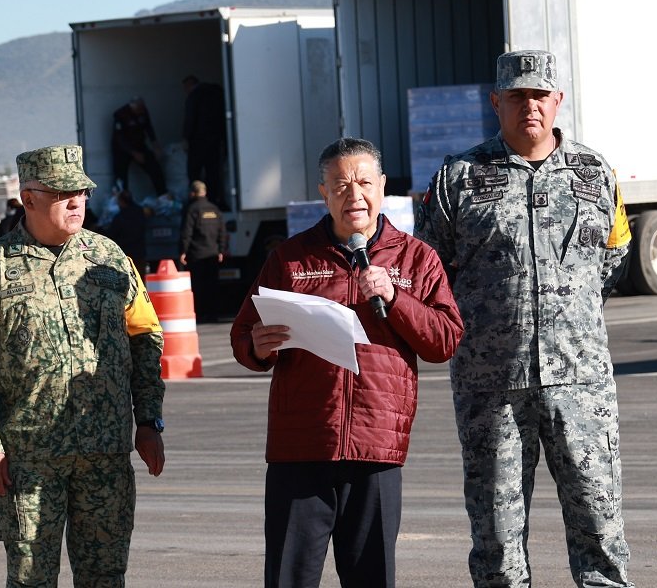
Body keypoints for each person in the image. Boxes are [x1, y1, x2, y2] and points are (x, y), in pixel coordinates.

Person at [414, 50, 634, 587]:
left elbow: (614, 256)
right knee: (496, 544)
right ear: (496, 102)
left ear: (558, 101)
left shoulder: (595, 173)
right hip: (492, 387)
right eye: (517, 96)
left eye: (540, 95)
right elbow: (429, 270)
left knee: (601, 537)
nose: (529, 106)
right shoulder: (459, 178)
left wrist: (565, 313)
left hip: (580, 383)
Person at [231, 137, 463, 587]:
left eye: (362, 182)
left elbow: (445, 339)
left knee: (371, 578)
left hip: (376, 448)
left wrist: (395, 298)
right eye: (339, 185)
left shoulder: (417, 258)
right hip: (301, 447)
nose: (353, 195)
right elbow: (244, 336)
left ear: (382, 186)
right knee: (288, 578)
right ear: (323, 192)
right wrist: (259, 347)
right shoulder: (290, 259)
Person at [0, 144, 167, 586]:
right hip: (30, 460)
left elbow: (146, 340)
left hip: (104, 455)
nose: (76, 203)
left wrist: (148, 421)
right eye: (62, 193)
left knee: (105, 576)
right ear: (28, 199)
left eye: (82, 193)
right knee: (32, 578)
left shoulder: (111, 258)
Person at [179, 180, 226, 322]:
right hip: (212, 254)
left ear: (193, 193)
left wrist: (183, 251)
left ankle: (200, 315)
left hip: (197, 255)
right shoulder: (214, 209)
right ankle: (214, 315)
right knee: (213, 286)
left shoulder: (192, 209)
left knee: (198, 287)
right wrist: (221, 250)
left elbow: (187, 232)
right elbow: (222, 231)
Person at [182, 75, 227, 209]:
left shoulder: (194, 96)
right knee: (213, 172)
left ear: (190, 85)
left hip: (198, 141)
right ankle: (212, 200)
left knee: (194, 172)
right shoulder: (216, 93)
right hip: (214, 140)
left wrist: (186, 138)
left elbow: (190, 119)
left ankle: (195, 201)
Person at [112, 96, 167, 197]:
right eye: (139, 110)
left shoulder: (143, 111)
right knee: (121, 177)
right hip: (123, 149)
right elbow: (119, 138)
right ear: (133, 107)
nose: (141, 112)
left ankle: (163, 195)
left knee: (154, 168)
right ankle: (122, 201)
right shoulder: (121, 114)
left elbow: (148, 128)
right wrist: (133, 153)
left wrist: (155, 144)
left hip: (139, 145)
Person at [103, 189, 148, 280]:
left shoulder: (120, 217)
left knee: (128, 279)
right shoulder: (140, 212)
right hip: (140, 251)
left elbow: (112, 234)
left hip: (125, 253)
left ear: (122, 201)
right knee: (140, 278)